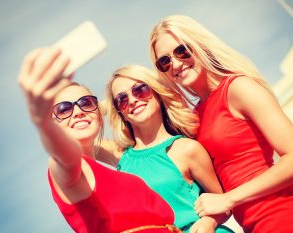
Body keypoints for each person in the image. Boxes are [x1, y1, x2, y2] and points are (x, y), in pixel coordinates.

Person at [149, 14, 293, 232]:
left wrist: (229, 199)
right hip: (255, 226)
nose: (175, 63)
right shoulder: (193, 118)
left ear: (199, 45)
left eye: (182, 50)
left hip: (290, 218)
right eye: (164, 61)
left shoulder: (238, 88)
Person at [17, 47, 184, 233]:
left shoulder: (113, 167)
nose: (78, 111)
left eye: (86, 103)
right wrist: (42, 121)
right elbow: (64, 156)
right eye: (63, 109)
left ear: (98, 111)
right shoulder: (68, 167)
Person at [98, 64, 234, 233]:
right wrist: (106, 105)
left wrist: (209, 222)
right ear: (119, 112)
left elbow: (223, 203)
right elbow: (70, 138)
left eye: (140, 89)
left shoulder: (186, 149)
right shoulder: (121, 157)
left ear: (157, 93)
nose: (132, 100)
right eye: (122, 100)